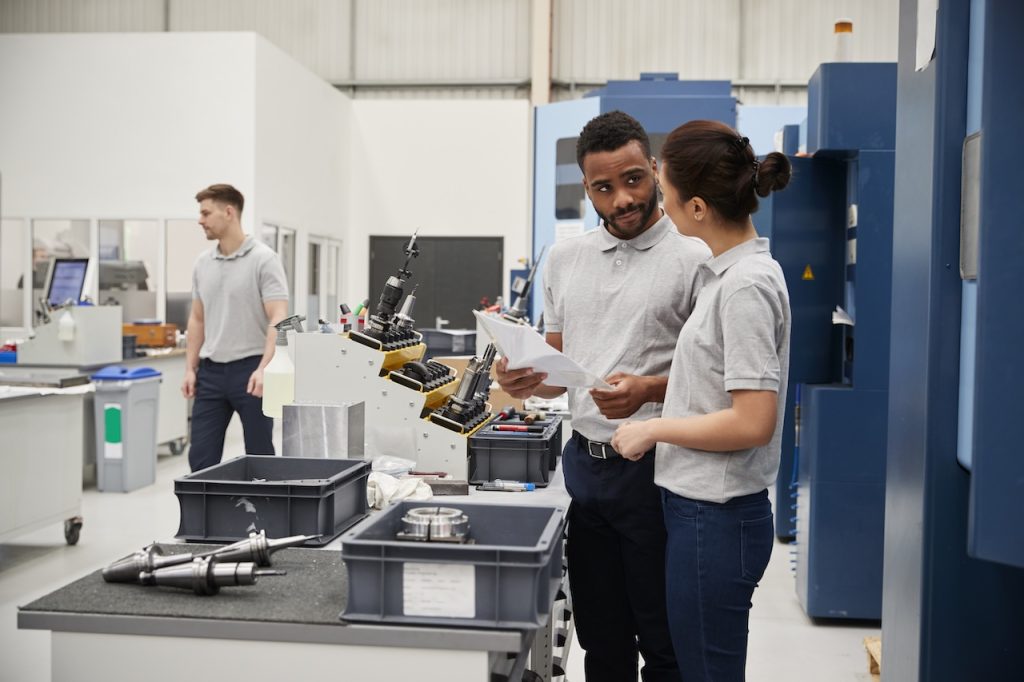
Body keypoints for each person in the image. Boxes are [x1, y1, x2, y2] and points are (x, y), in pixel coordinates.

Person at [496, 111, 710, 682]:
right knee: (600, 636)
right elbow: (556, 366)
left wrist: (651, 389)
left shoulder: (695, 258)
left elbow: (716, 380)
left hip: (661, 474)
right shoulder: (566, 260)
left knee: (663, 639)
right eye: (604, 188)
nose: (622, 199)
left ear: (657, 171)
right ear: (586, 188)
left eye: (634, 179)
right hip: (585, 470)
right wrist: (521, 377)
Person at [611, 121, 792, 682]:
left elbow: (752, 420)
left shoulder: (745, 288)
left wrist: (654, 429)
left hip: (716, 516)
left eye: (662, 191)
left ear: (694, 207)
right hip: (697, 510)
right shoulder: (725, 277)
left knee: (707, 672)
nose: (656, 203)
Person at [181, 184, 289, 472]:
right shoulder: (203, 264)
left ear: (229, 212)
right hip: (211, 372)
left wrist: (266, 367)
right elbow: (197, 319)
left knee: (260, 455)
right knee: (200, 458)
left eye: (206, 213)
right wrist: (190, 368)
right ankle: (204, 517)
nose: (200, 220)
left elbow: (278, 316)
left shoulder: (264, 259)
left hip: (251, 369)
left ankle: (265, 515)